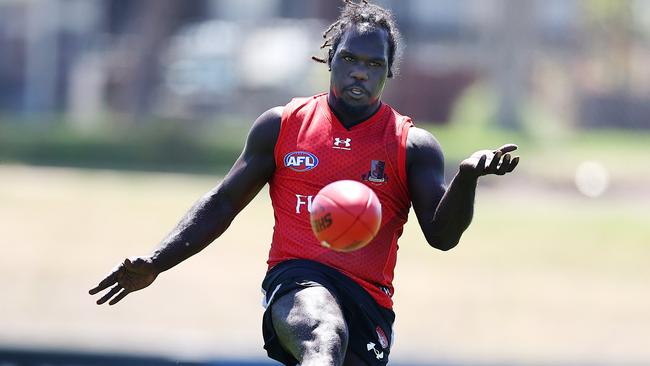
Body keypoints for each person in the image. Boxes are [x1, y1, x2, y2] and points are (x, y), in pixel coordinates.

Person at [89, 1, 519, 365]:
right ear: (330, 57)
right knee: (322, 336)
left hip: (368, 304)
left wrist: (466, 179)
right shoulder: (282, 126)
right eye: (349, 59)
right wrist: (156, 262)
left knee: (335, 342)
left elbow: (442, 237)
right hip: (295, 283)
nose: (359, 73)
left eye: (374, 65)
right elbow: (223, 203)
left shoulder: (412, 146)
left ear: (388, 73)